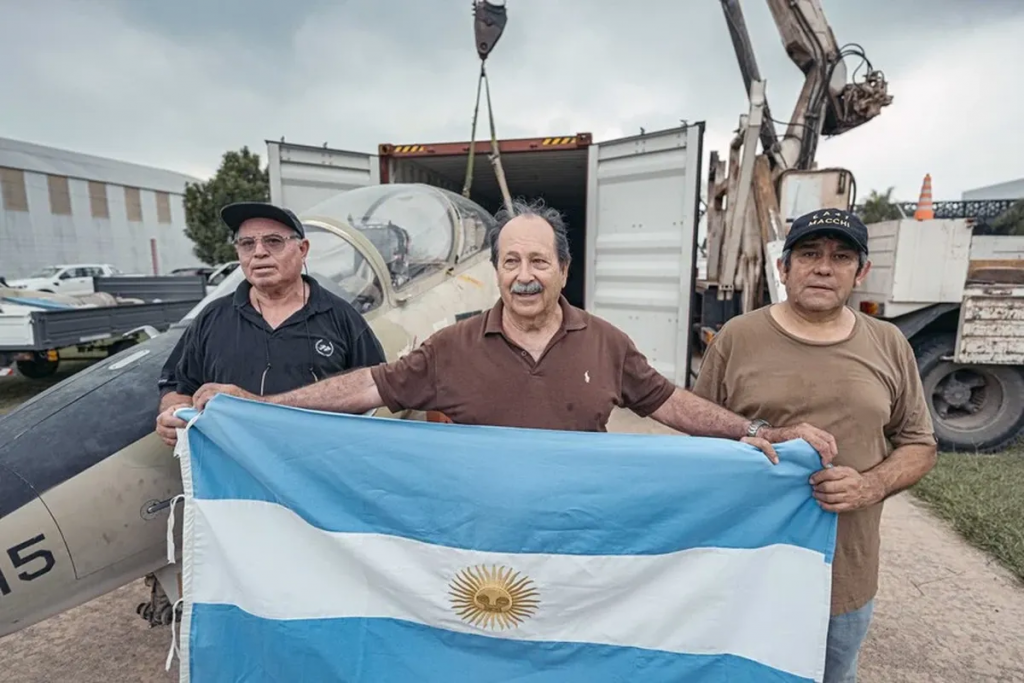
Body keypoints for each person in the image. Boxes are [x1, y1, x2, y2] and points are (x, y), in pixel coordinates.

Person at [193, 197, 837, 465]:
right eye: (510, 261)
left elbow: (673, 404)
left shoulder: (607, 343)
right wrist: (261, 408)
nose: (523, 276)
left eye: (537, 261)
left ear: (563, 269)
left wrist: (756, 431)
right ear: (497, 271)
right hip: (482, 549)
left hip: (574, 543)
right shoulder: (451, 348)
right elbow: (365, 388)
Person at [690, 207, 938, 683]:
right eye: (809, 254)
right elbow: (700, 433)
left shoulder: (889, 344)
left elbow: (919, 444)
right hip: (747, 564)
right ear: (783, 268)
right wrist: (764, 432)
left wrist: (870, 485)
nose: (824, 267)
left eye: (841, 256)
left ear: (860, 272)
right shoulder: (738, 338)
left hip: (842, 577)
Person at [155, 200, 388, 447]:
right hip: (235, 473)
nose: (259, 252)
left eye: (273, 241)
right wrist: (174, 412)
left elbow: (374, 386)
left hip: (318, 471)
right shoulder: (212, 318)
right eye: (247, 244)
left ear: (303, 249)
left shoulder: (341, 317)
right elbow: (178, 384)